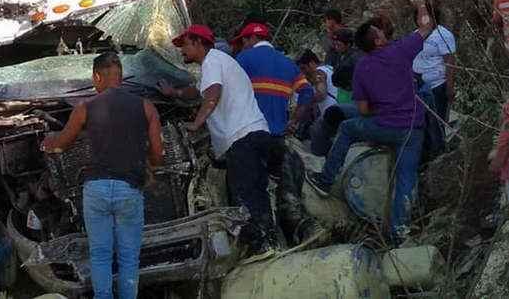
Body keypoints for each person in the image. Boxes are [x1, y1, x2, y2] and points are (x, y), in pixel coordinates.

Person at [306, 0, 434, 243]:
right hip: (413, 128)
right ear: (377, 40)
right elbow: (426, 27)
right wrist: (421, 5)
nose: (383, 33)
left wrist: (382, 105)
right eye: (379, 32)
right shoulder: (401, 49)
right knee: (406, 177)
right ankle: (400, 232)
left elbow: (363, 109)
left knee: (346, 128)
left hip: (385, 126)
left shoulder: (363, 67)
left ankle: (325, 179)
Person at [41, 52, 162, 299]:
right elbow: (158, 155)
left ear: (96, 77)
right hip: (129, 189)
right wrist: (145, 164)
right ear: (121, 76)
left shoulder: (84, 108)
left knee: (100, 255)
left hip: (95, 191)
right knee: (129, 257)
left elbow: (61, 144)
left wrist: (46, 142)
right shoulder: (146, 107)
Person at [159, 25, 278, 256]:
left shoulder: (213, 61)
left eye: (184, 45)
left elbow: (212, 95)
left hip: (242, 138)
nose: (181, 51)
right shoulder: (217, 62)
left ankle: (263, 249)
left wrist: (196, 123)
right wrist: (175, 93)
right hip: (254, 134)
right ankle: (268, 242)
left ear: (198, 43)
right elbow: (199, 92)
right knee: (255, 193)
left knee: (246, 196)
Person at [229, 22, 324, 245]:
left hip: (249, 136)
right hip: (277, 138)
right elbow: (307, 91)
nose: (243, 45)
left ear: (251, 39)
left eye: (244, 41)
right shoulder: (288, 64)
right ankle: (298, 231)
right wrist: (294, 120)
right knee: (285, 188)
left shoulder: (244, 59)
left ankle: (262, 239)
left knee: (248, 190)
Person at [412, 4, 455, 161]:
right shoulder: (417, 35)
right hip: (418, 88)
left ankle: (439, 157)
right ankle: (425, 157)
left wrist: (450, 87)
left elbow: (450, 62)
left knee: (436, 123)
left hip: (437, 86)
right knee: (421, 124)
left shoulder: (443, 35)